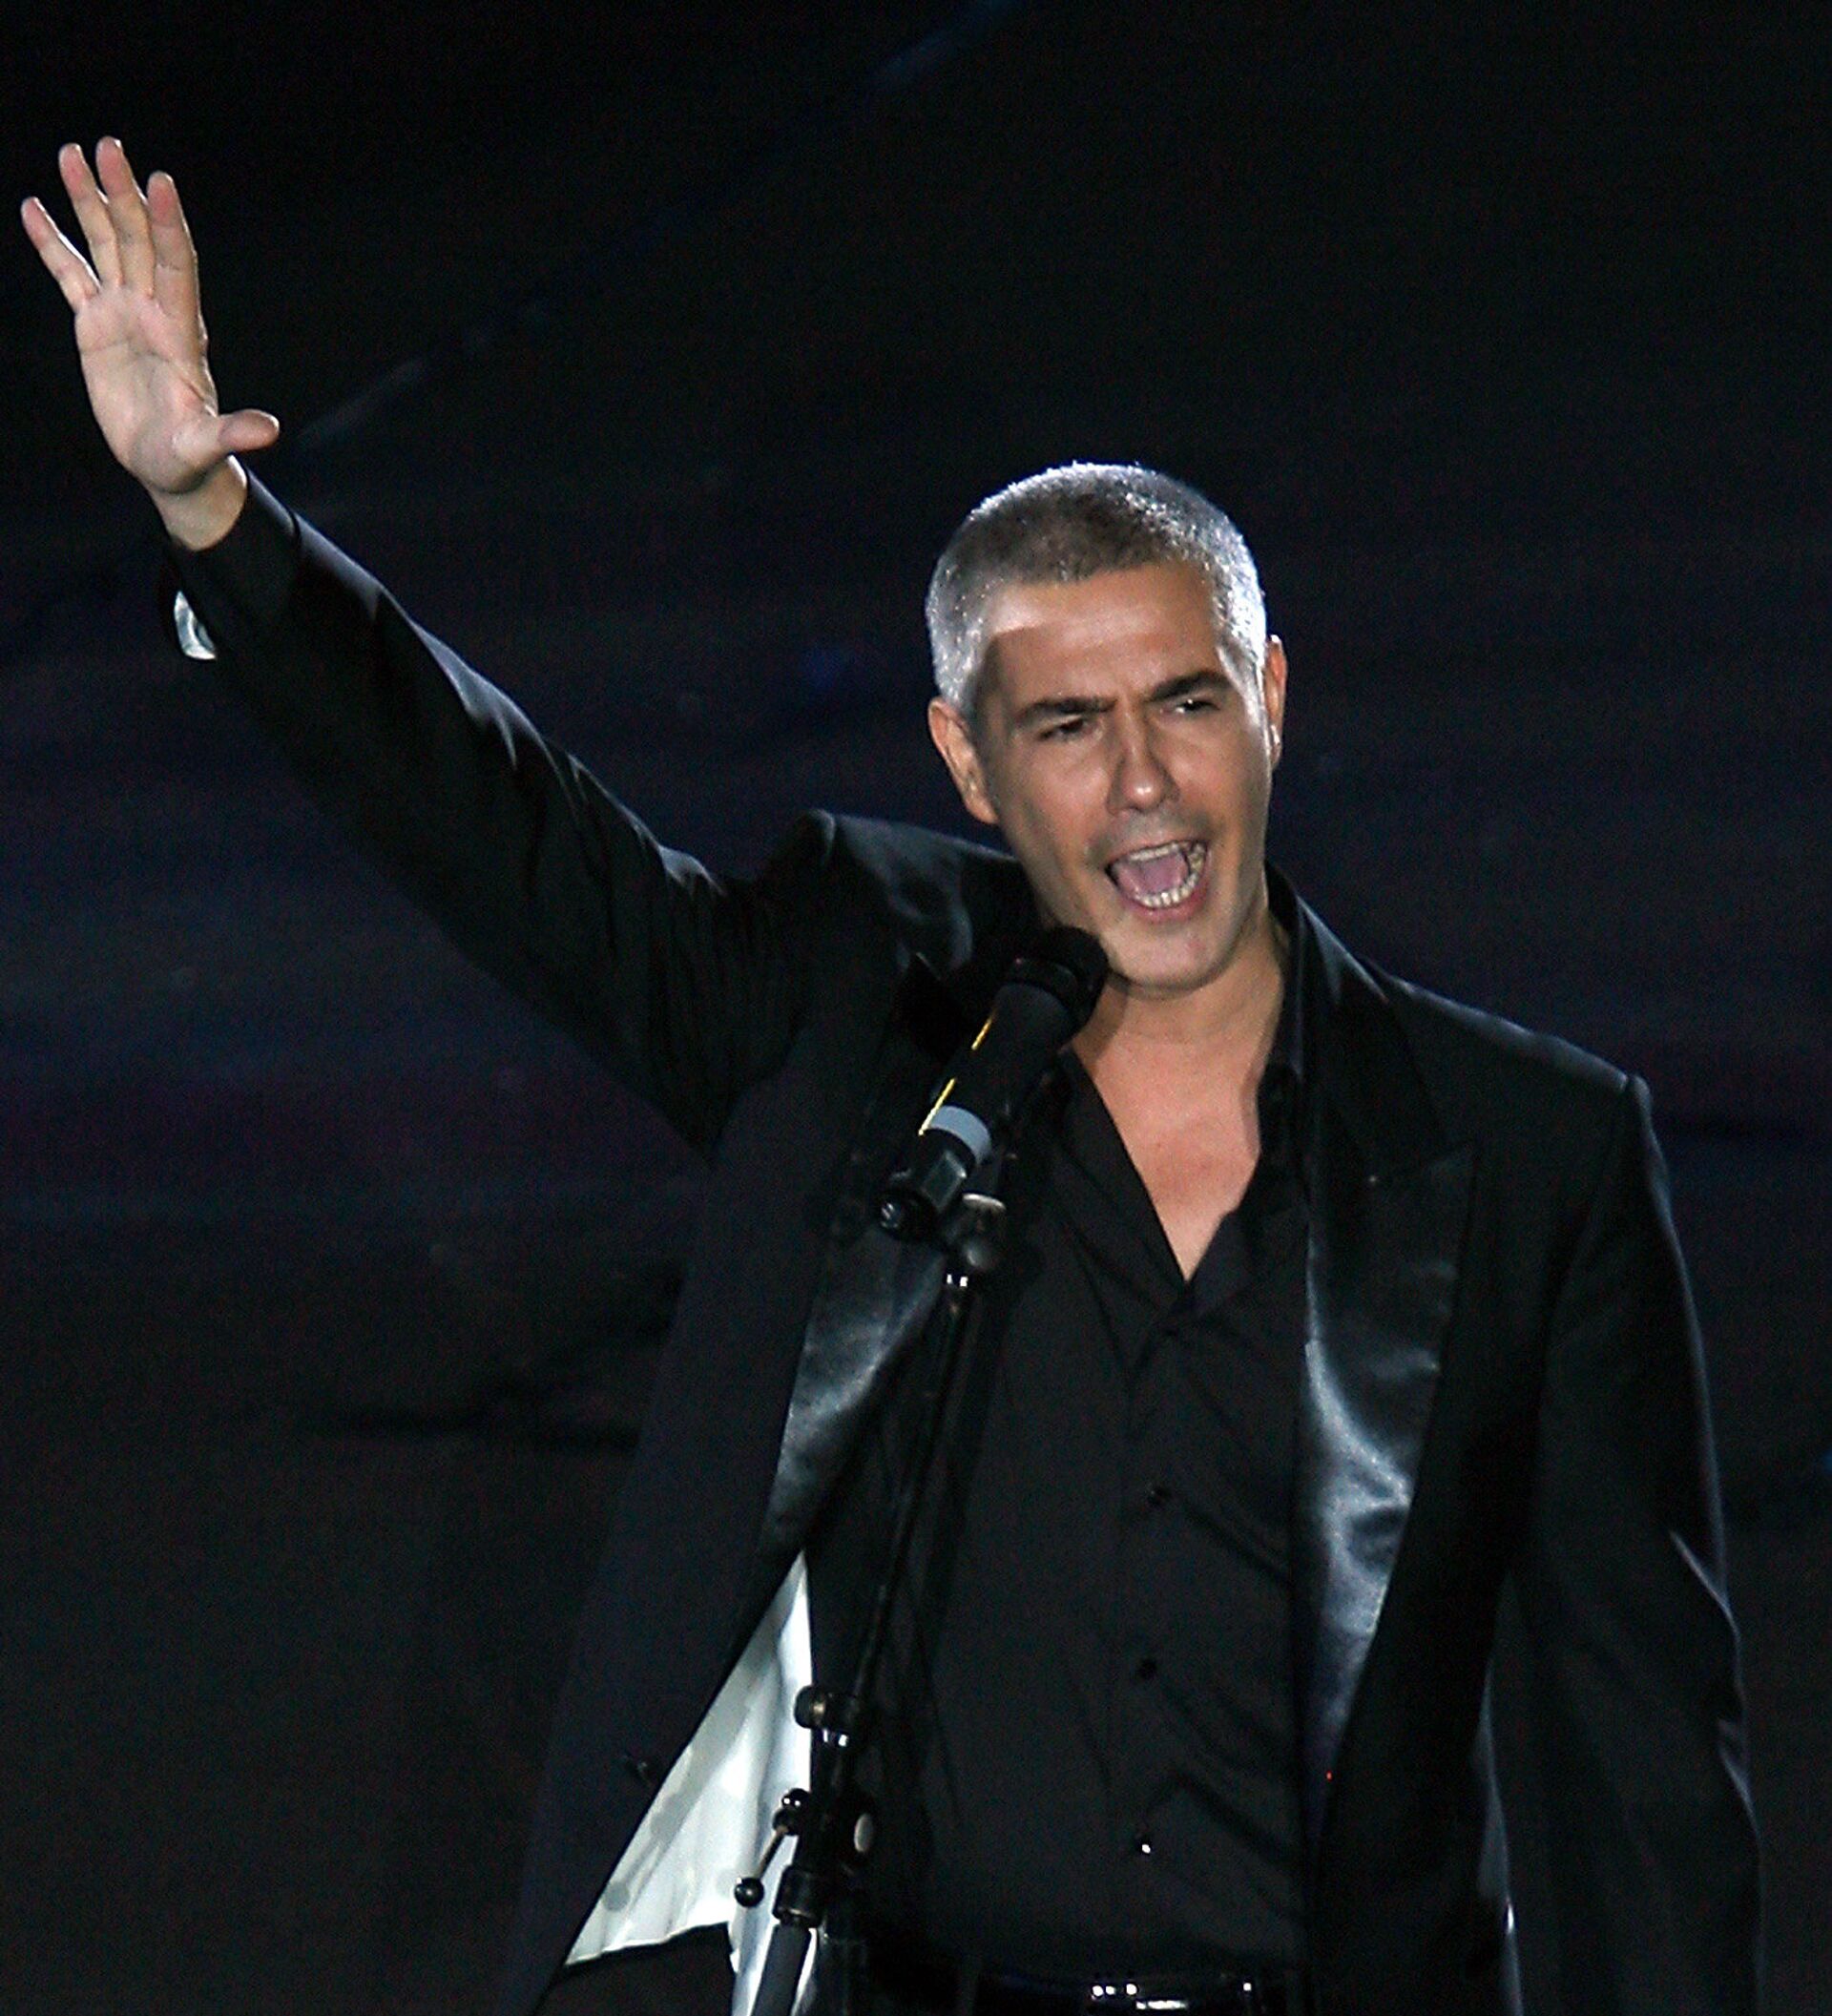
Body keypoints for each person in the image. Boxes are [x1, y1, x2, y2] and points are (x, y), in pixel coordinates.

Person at [24, 141, 1760, 2016]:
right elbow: (523, 848)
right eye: (1067, 728)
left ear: (1270, 697)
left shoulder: (1531, 1157)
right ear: (966, 761)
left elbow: (1644, 1783)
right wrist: (214, 516)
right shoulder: (860, 1014)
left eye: (1187, 702)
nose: (1147, 787)